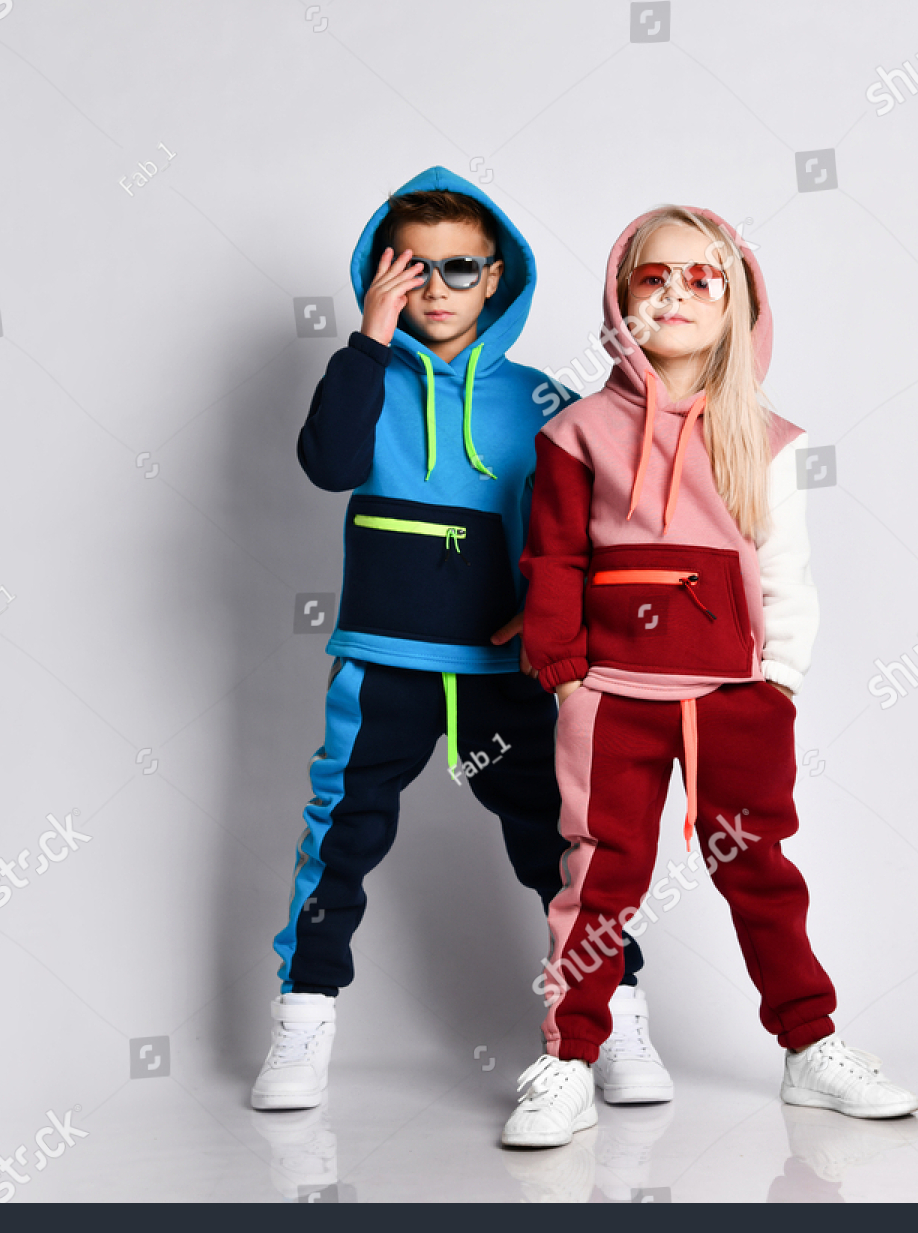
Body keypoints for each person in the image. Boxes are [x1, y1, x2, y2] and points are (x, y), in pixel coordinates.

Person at [501, 204, 918, 1149]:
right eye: (654, 276)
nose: (677, 293)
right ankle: (567, 1062)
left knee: (760, 871)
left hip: (735, 699)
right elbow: (554, 562)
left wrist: (778, 684)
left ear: (740, 301)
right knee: (599, 881)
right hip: (613, 697)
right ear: (622, 298)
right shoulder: (575, 434)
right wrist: (568, 677)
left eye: (703, 276)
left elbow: (785, 574)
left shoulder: (764, 436)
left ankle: (810, 1045)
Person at [252, 167, 666, 1113]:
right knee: (341, 839)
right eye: (411, 269)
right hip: (384, 662)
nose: (436, 289)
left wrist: (557, 605)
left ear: (498, 279)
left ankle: (616, 1014)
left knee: (563, 844)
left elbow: (600, 526)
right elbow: (328, 466)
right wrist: (370, 335)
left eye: (459, 269)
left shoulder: (541, 401)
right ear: (378, 276)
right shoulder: (363, 378)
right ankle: (304, 1012)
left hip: (506, 671)